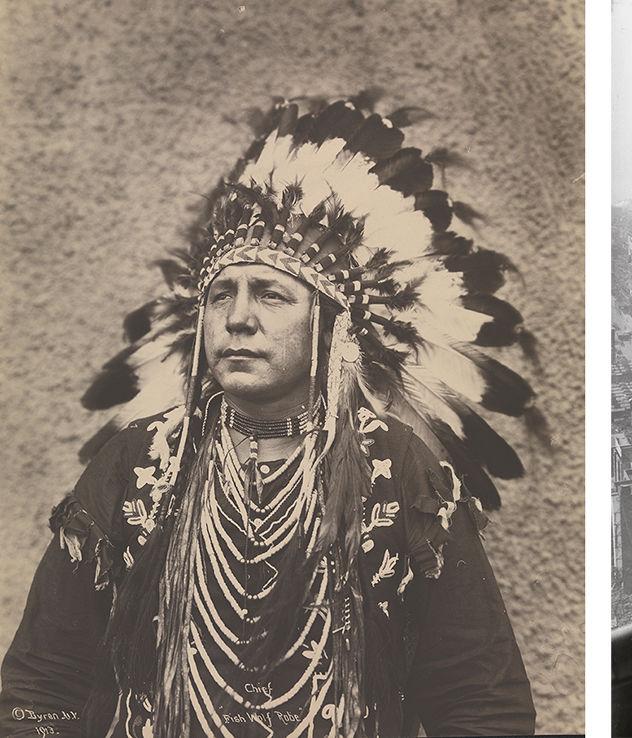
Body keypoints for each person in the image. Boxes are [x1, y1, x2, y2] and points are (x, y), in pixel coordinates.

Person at [0, 97, 539, 737]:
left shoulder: (396, 472)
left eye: (272, 295)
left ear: (330, 329)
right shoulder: (141, 465)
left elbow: (480, 703)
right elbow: (41, 686)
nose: (238, 319)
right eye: (220, 295)